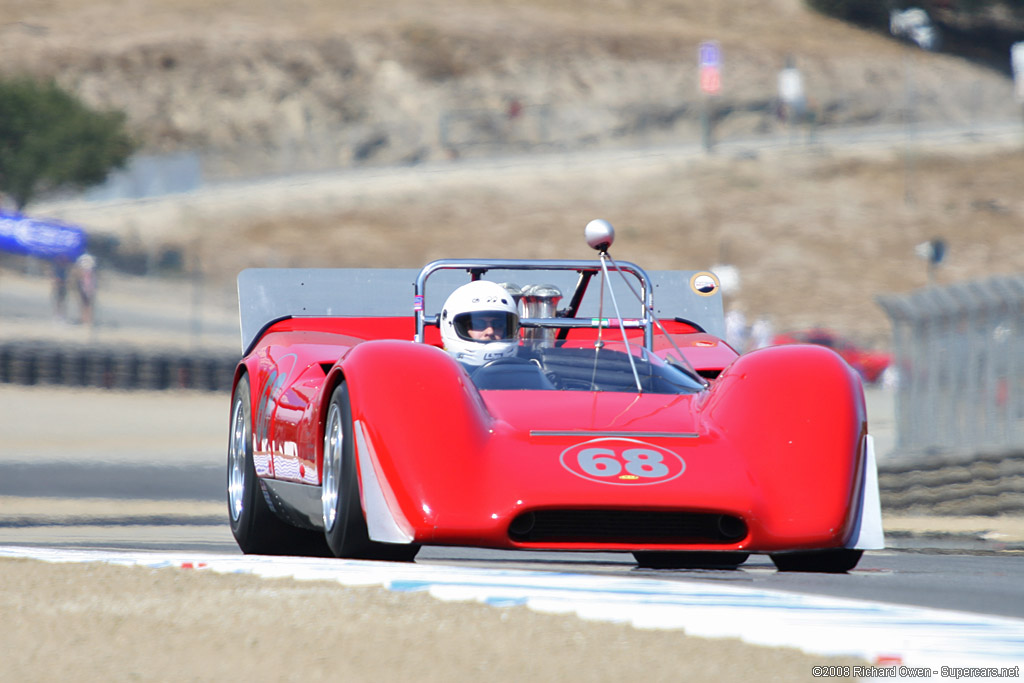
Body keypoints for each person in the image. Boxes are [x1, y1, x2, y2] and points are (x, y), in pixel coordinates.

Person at [440, 280, 520, 366]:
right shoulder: (440, 372)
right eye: (478, 324)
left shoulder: (523, 371)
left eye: (498, 325)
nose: (490, 332)